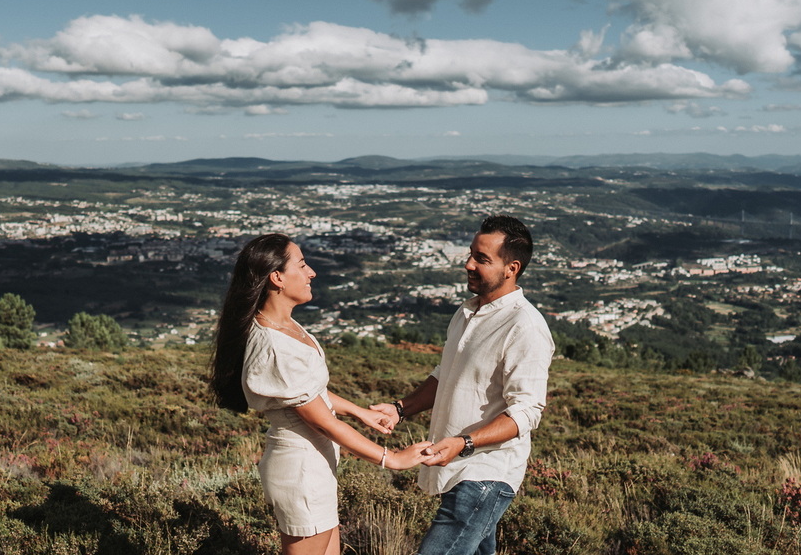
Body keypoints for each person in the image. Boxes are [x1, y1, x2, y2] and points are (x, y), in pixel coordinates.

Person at [210, 233, 431, 555]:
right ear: (277, 278)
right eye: (301, 264)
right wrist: (392, 459)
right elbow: (323, 422)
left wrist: (359, 411)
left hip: (313, 468)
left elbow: (310, 392)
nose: (311, 272)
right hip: (301, 471)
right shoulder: (276, 345)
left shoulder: (284, 326)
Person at [372, 215, 555, 555]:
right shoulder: (467, 312)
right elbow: (446, 375)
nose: (468, 264)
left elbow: (526, 413)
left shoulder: (524, 326)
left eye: (482, 259)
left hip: (486, 471)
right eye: (471, 254)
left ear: (511, 268)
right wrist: (400, 409)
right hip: (457, 464)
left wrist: (464, 443)